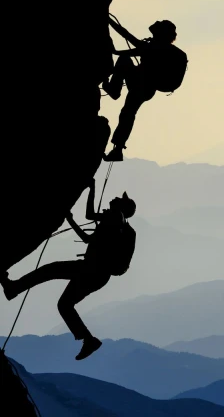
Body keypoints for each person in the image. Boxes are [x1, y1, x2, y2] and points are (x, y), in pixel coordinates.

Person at [1, 180, 137, 360]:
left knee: (50, 272)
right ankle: (88, 339)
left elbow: (88, 220)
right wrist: (72, 219)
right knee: (63, 302)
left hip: (91, 270)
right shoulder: (120, 225)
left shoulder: (113, 217)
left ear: (122, 207)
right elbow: (89, 232)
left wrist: (91, 189)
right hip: (97, 274)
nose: (115, 198)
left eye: (119, 198)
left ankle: (13, 288)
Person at [102, 18, 184, 161]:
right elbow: (129, 42)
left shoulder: (153, 48)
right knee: (128, 112)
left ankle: (114, 90)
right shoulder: (168, 51)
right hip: (148, 88)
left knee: (127, 112)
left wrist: (107, 20)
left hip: (141, 85)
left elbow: (126, 36)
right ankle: (118, 148)